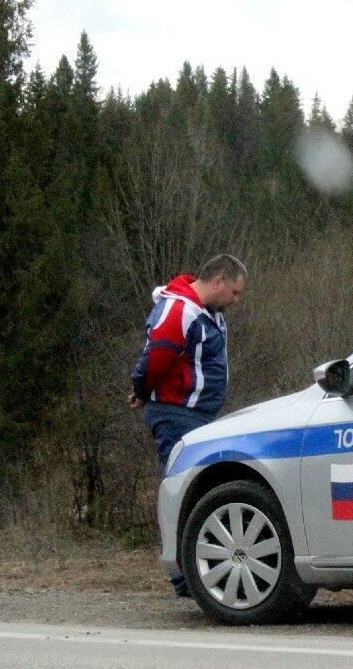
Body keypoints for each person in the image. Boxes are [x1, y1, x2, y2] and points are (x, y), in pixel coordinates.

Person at [129, 254, 247, 597]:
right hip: (177, 414)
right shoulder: (181, 310)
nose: (236, 301)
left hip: (196, 416)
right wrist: (141, 390)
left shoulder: (207, 313)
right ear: (218, 281)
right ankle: (184, 578)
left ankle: (200, 573)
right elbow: (156, 357)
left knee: (196, 492)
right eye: (235, 292)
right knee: (181, 492)